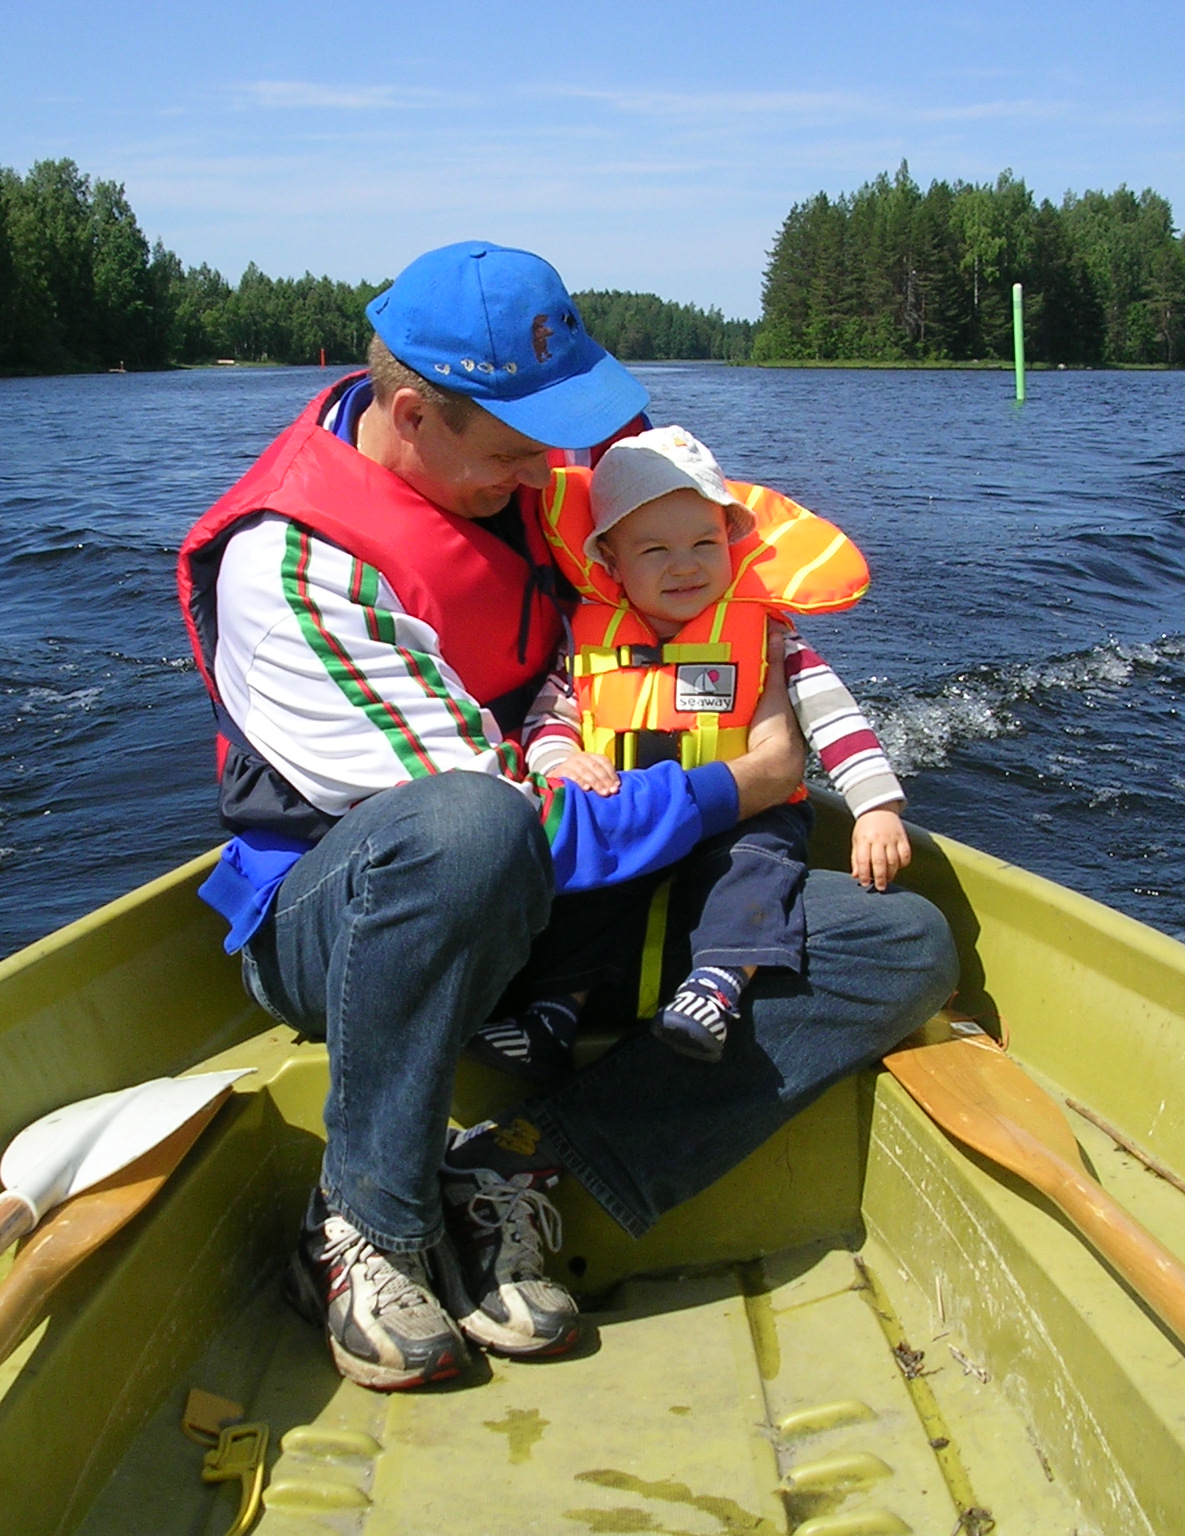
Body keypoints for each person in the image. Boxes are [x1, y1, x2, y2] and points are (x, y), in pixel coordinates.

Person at [178, 241, 958, 1392]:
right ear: (409, 414)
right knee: (469, 832)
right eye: (512, 450)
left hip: (564, 888)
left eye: (553, 438)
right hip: (359, 920)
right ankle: (363, 1222)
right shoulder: (295, 569)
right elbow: (520, 827)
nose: (549, 469)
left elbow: (682, 528)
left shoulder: (525, 467)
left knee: (900, 945)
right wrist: (740, 785)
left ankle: (526, 1163)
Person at [472, 425, 912, 1075]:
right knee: (588, 884)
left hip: (743, 812)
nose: (686, 565)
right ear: (613, 563)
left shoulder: (768, 640)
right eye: (656, 550)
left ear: (731, 545)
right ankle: (553, 1011)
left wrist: (876, 806)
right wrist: (558, 759)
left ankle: (716, 986)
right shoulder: (587, 644)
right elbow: (548, 715)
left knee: (753, 863)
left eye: (705, 543)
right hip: (630, 810)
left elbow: (833, 717)